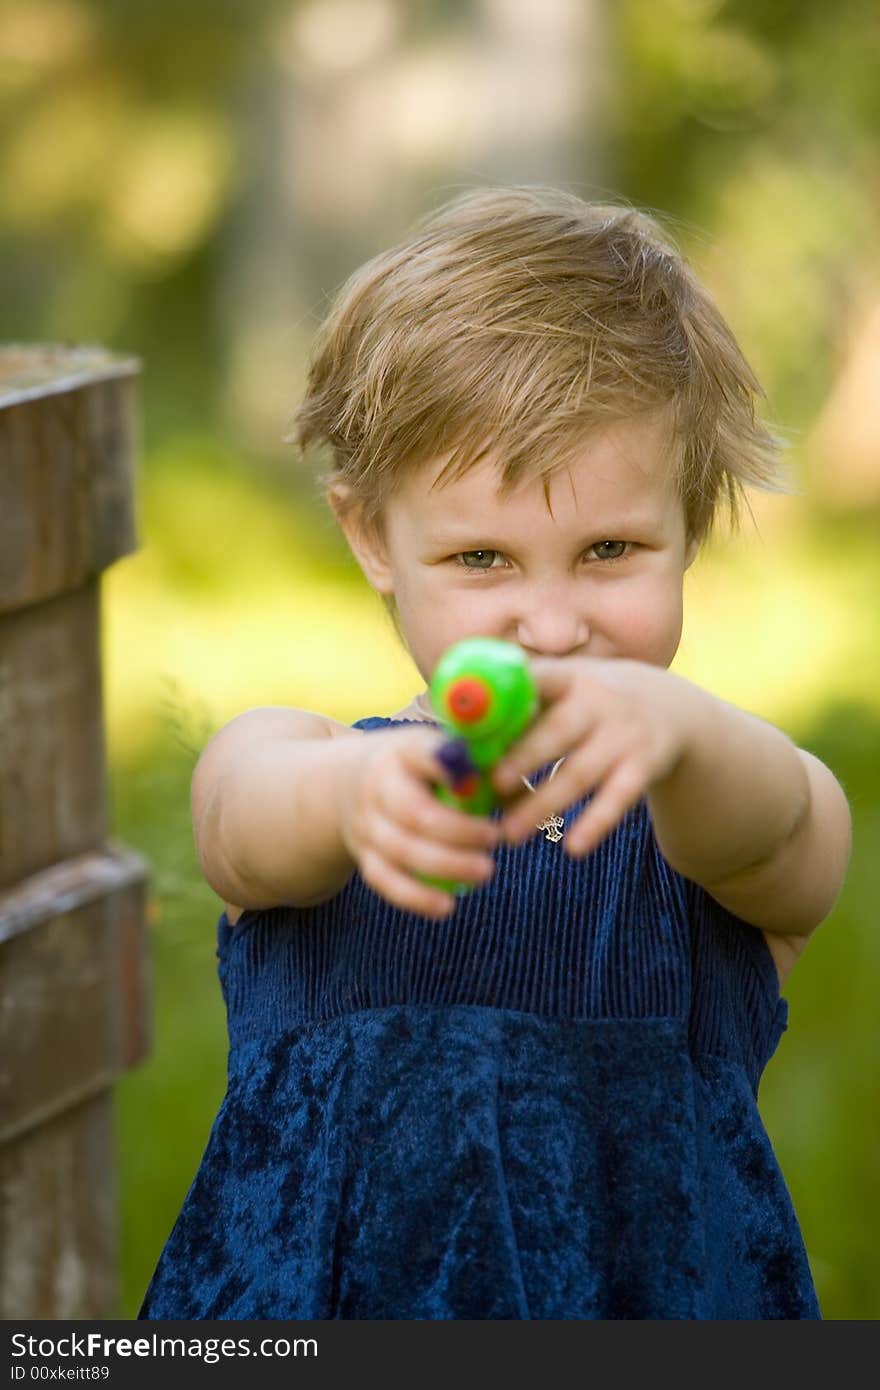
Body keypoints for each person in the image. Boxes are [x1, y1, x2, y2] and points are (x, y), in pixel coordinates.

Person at [138, 185, 851, 1320]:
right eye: (482, 559)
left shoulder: (711, 802)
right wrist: (351, 792)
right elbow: (238, 823)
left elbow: (790, 837)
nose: (551, 623)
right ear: (372, 537)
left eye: (609, 549)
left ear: (691, 528)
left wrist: (682, 739)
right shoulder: (311, 762)